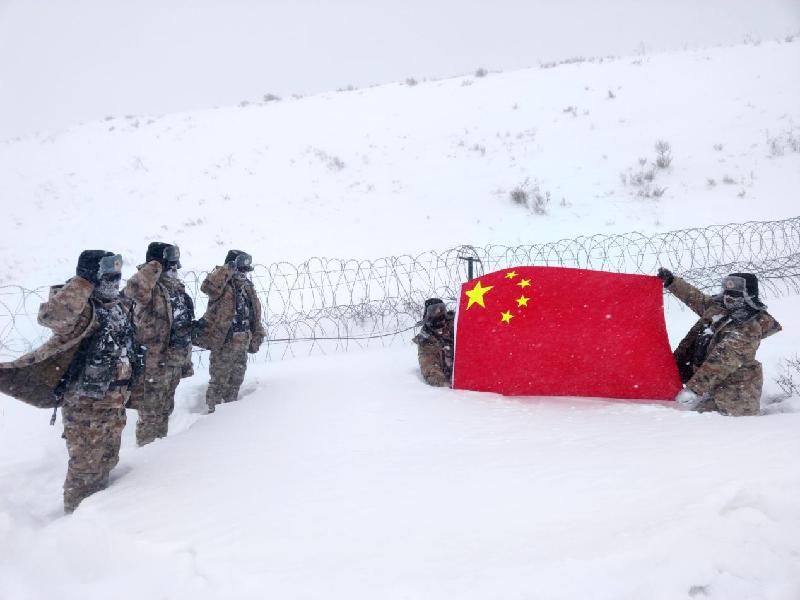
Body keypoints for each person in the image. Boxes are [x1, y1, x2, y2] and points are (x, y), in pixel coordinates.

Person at [0, 250, 139, 512]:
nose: (114, 281)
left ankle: (101, 510)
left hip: (113, 402)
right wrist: (82, 282)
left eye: (117, 275)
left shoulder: (118, 306)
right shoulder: (84, 310)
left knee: (107, 460)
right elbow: (52, 317)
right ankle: (76, 519)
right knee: (86, 470)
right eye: (108, 275)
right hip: (86, 406)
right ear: (92, 277)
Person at [658, 268, 781, 416]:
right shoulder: (719, 309)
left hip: (735, 397)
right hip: (713, 387)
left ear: (748, 297)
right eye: (727, 293)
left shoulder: (749, 326)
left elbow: (722, 361)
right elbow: (696, 298)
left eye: (735, 295)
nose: (729, 298)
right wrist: (672, 282)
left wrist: (694, 389)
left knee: (690, 421)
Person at [124, 242, 195, 446]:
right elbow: (133, 289)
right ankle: (148, 452)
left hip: (173, 363)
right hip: (153, 366)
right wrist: (155, 265)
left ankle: (160, 451)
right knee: (150, 416)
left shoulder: (176, 288)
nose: (174, 268)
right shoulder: (150, 288)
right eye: (170, 264)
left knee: (164, 411)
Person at [194, 250, 265, 413]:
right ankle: (213, 414)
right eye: (240, 269)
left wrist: (258, 334)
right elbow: (208, 287)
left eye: (246, 270)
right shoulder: (222, 285)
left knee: (236, 381)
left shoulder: (248, 287)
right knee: (219, 382)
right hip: (224, 342)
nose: (243, 273)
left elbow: (255, 313)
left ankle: (230, 415)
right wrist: (227, 268)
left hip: (243, 341)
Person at [412, 298, 455, 387]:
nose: (438, 313)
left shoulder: (455, 325)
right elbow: (430, 368)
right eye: (434, 311)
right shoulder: (425, 339)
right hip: (451, 382)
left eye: (441, 309)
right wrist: (446, 386)